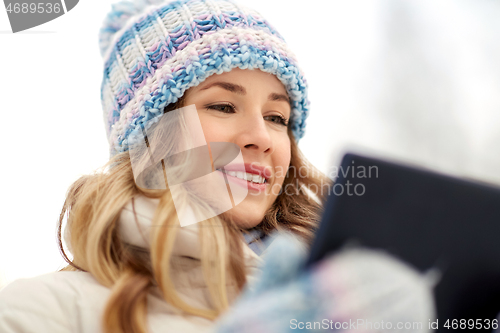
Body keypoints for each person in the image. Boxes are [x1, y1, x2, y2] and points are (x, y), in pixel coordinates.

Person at [0, 0, 435, 332]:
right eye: (224, 105)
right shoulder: (42, 311)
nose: (261, 138)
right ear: (152, 138)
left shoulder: (348, 297)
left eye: (277, 118)